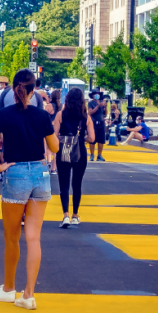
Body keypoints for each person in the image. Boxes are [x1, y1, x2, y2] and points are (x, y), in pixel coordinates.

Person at [0, 69, 59, 310]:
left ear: (13, 89)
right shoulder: (42, 115)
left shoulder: (4, 114)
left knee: (12, 237)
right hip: (40, 173)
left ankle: (8, 288)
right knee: (33, 238)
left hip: (15, 174)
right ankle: (29, 294)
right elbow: (53, 146)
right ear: (35, 89)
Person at [53, 87, 95, 228]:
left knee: (63, 185)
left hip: (63, 151)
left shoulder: (60, 115)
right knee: (77, 184)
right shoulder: (86, 117)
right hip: (80, 153)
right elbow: (92, 138)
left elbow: (53, 135)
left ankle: (65, 215)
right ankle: (75, 215)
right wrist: (81, 138)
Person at [87, 90, 107, 161]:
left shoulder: (101, 102)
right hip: (93, 122)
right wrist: (98, 106)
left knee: (101, 140)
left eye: (98, 94)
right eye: (95, 94)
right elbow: (90, 112)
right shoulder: (90, 103)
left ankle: (99, 155)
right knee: (92, 139)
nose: (97, 95)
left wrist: (105, 107)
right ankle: (92, 155)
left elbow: (105, 113)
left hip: (101, 122)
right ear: (92, 95)